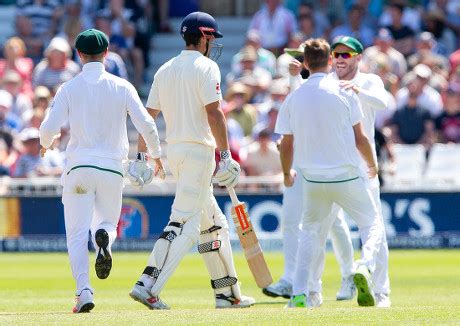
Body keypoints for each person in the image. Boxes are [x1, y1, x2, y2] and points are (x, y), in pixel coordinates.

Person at [128, 12, 255, 310]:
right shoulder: (206, 67)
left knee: (214, 227)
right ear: (206, 37)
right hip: (199, 153)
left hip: (177, 153)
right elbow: (214, 113)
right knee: (184, 223)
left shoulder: (165, 69)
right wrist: (226, 156)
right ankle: (147, 284)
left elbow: (149, 120)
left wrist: (142, 156)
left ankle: (227, 293)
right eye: (213, 39)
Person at [39, 28, 163, 313]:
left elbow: (48, 128)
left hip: (79, 167)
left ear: (79, 55)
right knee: (107, 223)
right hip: (112, 168)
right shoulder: (122, 86)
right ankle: (103, 238)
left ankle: (84, 291)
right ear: (107, 53)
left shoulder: (69, 87)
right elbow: (147, 124)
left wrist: (46, 145)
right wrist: (155, 156)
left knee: (76, 233)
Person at [276, 38, 383, 308]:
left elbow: (286, 143)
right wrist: (372, 165)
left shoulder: (294, 96)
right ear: (329, 60)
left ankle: (300, 294)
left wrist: (287, 174)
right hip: (346, 176)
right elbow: (361, 139)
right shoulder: (344, 91)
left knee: (309, 233)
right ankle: (364, 266)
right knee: (372, 224)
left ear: (306, 63)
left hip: (312, 180)